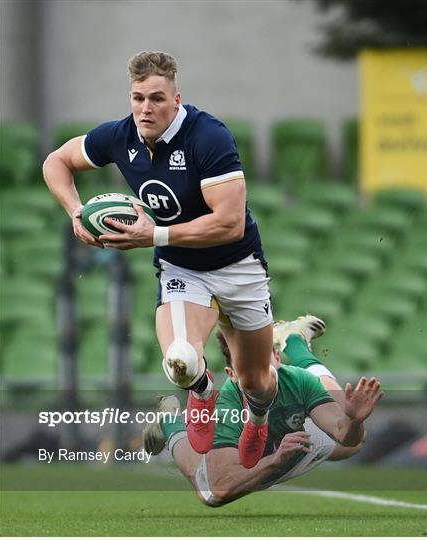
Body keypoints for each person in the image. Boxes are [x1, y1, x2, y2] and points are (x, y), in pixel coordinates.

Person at [42, 51, 277, 467]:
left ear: (177, 99)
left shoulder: (209, 137)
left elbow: (230, 224)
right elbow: (56, 161)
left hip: (239, 266)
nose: (145, 108)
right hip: (183, 267)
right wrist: (75, 210)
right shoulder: (120, 136)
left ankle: (256, 419)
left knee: (258, 381)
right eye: (137, 98)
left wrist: (155, 235)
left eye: (156, 98)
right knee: (181, 361)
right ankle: (203, 392)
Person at [142, 315, 383, 506]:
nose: (256, 371)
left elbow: (345, 434)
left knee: (353, 441)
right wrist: (276, 460)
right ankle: (170, 418)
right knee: (209, 493)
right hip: (262, 455)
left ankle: (294, 341)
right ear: (232, 374)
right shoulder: (229, 404)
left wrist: (353, 419)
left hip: (287, 441)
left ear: (277, 357)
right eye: (245, 364)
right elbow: (221, 486)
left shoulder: (297, 380)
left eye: (261, 358)